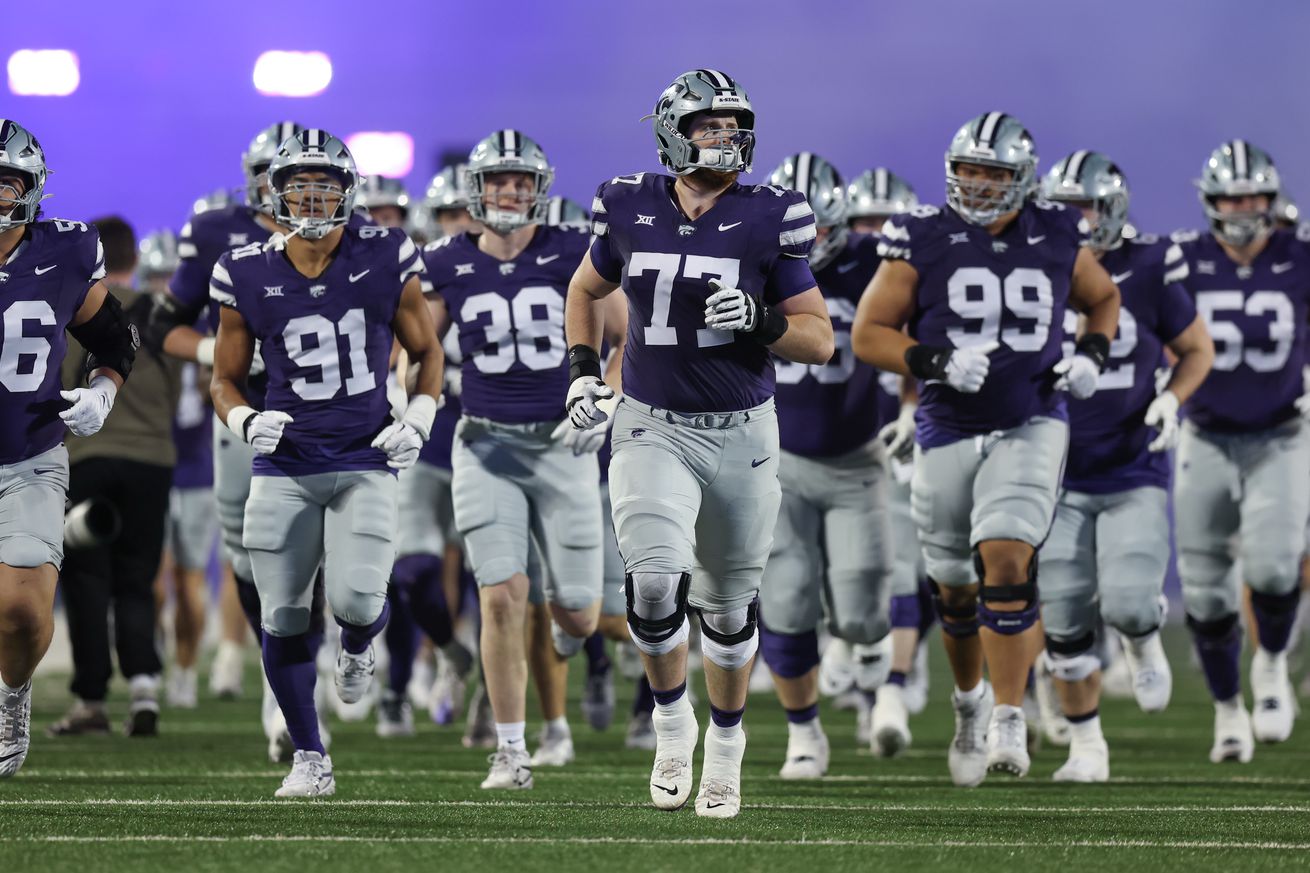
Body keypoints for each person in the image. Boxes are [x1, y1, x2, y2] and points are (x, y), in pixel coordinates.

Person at [565, 69, 834, 818]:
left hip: (744, 431)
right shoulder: (628, 203)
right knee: (653, 581)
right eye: (710, 126)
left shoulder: (770, 214)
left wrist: (761, 317)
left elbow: (820, 339)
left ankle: (726, 745)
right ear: (673, 132)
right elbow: (585, 291)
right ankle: (671, 723)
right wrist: (585, 372)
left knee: (726, 606)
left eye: (733, 124)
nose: (726, 138)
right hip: (652, 422)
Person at [851, 111, 1120, 785]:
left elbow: (1103, 298)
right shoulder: (923, 235)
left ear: (1022, 180)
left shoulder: (1057, 232)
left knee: (1005, 553)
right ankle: (968, 701)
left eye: (991, 172)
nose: (975, 183)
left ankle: (1007, 713)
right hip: (947, 424)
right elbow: (868, 332)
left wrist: (1090, 352)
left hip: (1032, 418)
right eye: (967, 168)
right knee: (955, 585)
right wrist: (933, 360)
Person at [210, 129, 443, 797]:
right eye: (298, 187)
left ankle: (360, 643)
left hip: (365, 456)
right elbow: (224, 378)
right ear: (273, 195)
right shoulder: (246, 267)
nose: (311, 198)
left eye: (325, 186)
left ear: (349, 192)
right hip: (282, 464)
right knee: (282, 615)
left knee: (357, 598)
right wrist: (246, 419)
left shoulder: (386, 252)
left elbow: (427, 351)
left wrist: (420, 416)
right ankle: (310, 755)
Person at [422, 129, 621, 789]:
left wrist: (607, 397)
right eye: (500, 181)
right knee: (502, 596)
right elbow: (414, 347)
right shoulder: (444, 260)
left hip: (563, 445)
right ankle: (510, 749)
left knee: (578, 615)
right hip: (485, 444)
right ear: (476, 189)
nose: (511, 192)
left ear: (540, 189)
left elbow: (629, 333)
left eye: (523, 182)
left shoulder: (573, 250)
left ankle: (573, 636)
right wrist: (414, 404)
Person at [1037, 150, 1214, 780]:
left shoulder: (1148, 264)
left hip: (1130, 464)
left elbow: (1196, 349)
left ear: (1112, 211)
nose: (1077, 221)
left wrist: (1171, 397)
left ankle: (1141, 638)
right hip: (1051, 468)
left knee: (1132, 603)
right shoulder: (1032, 261)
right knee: (1060, 614)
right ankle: (1088, 745)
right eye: (1065, 210)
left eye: (1087, 209)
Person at [0, 119, 137, 776]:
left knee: (24, 613)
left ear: (29, 189)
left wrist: (102, 392)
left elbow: (116, 340)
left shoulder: (65, 252)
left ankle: (11, 693)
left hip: (28, 453)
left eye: (4, 181)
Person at [756, 152, 893, 779]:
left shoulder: (875, 264)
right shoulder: (752, 260)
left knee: (864, 614)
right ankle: (804, 733)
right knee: (784, 599)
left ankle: (858, 645)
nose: (809, 243)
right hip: (777, 456)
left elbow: (914, 328)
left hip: (856, 457)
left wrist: (915, 404)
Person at [1172, 140, 1310, 761]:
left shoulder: (1300, 256)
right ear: (1210, 200)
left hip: (1281, 433)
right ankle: (1228, 711)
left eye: (1251, 195)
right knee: (1204, 591)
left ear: (1270, 197)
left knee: (1278, 566)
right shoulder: (1181, 261)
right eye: (1229, 195)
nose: (1241, 206)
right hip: (1204, 434)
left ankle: (1273, 665)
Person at [50, 217, 180, 738]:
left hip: (90, 456)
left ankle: (91, 699)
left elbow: (63, 379)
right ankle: (145, 685)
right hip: (153, 458)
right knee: (138, 577)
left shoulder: (77, 302)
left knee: (87, 577)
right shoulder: (160, 311)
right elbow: (182, 383)